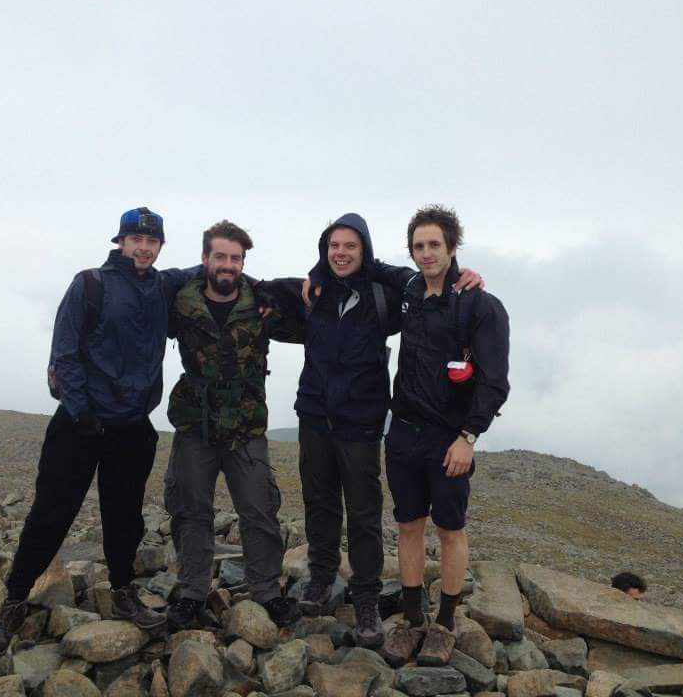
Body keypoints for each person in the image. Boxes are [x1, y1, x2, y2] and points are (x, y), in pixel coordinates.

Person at [258, 213, 482, 648]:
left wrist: (462, 275)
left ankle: (365, 597)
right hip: (314, 417)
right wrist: (311, 275)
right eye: (333, 247)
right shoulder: (313, 293)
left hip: (360, 422)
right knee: (319, 501)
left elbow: (418, 275)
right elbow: (261, 287)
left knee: (362, 512)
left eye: (350, 247)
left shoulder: (385, 294)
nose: (340, 254)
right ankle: (320, 580)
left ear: (365, 251)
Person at [0, 207, 193, 657]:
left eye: (152, 241)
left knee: (125, 515)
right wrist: (82, 411)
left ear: (160, 247)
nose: (143, 247)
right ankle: (12, 603)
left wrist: (289, 291)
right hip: (82, 423)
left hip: (132, 425)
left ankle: (122, 590)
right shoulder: (90, 284)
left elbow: (210, 268)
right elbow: (65, 351)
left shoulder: (163, 285)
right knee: (51, 513)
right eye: (135, 239)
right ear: (119, 241)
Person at [380, 205, 509, 668]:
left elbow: (495, 381)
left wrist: (468, 437)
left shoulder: (480, 305)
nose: (426, 252)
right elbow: (366, 266)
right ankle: (413, 618)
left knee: (450, 529)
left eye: (435, 244)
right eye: (418, 246)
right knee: (408, 525)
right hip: (403, 433)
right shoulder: (410, 290)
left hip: (449, 439)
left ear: (453, 247)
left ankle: (446, 623)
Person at [163, 220, 304, 630]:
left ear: (244, 262)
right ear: (205, 258)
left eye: (236, 258)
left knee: (260, 512)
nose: (228, 265)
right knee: (191, 511)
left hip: (246, 427)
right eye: (220, 256)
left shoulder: (262, 301)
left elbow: (314, 318)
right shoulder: (181, 302)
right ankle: (191, 593)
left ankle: (266, 592)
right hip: (196, 425)